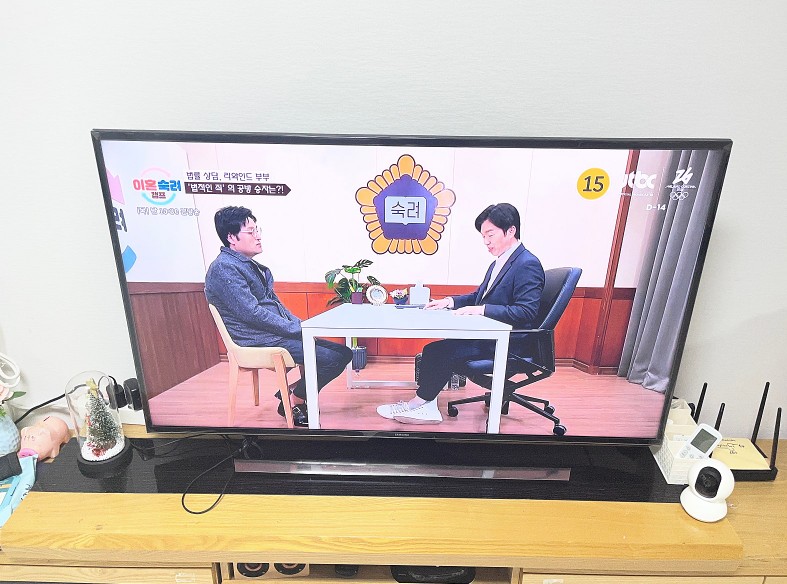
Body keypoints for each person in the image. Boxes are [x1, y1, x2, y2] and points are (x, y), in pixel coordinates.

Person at [377, 203, 545, 424]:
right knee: (433, 350)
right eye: (483, 236)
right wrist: (449, 301)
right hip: (490, 335)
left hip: (510, 343)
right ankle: (423, 403)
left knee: (440, 352)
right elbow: (479, 296)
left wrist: (481, 310)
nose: (486, 241)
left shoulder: (527, 264)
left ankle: (421, 405)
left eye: (490, 235)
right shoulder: (501, 262)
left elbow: (526, 311)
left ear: (511, 230)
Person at [205, 206, 352, 427]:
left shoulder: (247, 265)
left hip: (273, 334)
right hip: (257, 339)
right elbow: (252, 314)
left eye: (257, 230)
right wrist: (297, 329)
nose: (258, 236)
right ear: (231, 238)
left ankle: (290, 393)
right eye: (251, 231)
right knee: (332, 359)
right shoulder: (225, 269)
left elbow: (275, 306)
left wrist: (301, 325)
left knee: (343, 352)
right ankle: (293, 400)